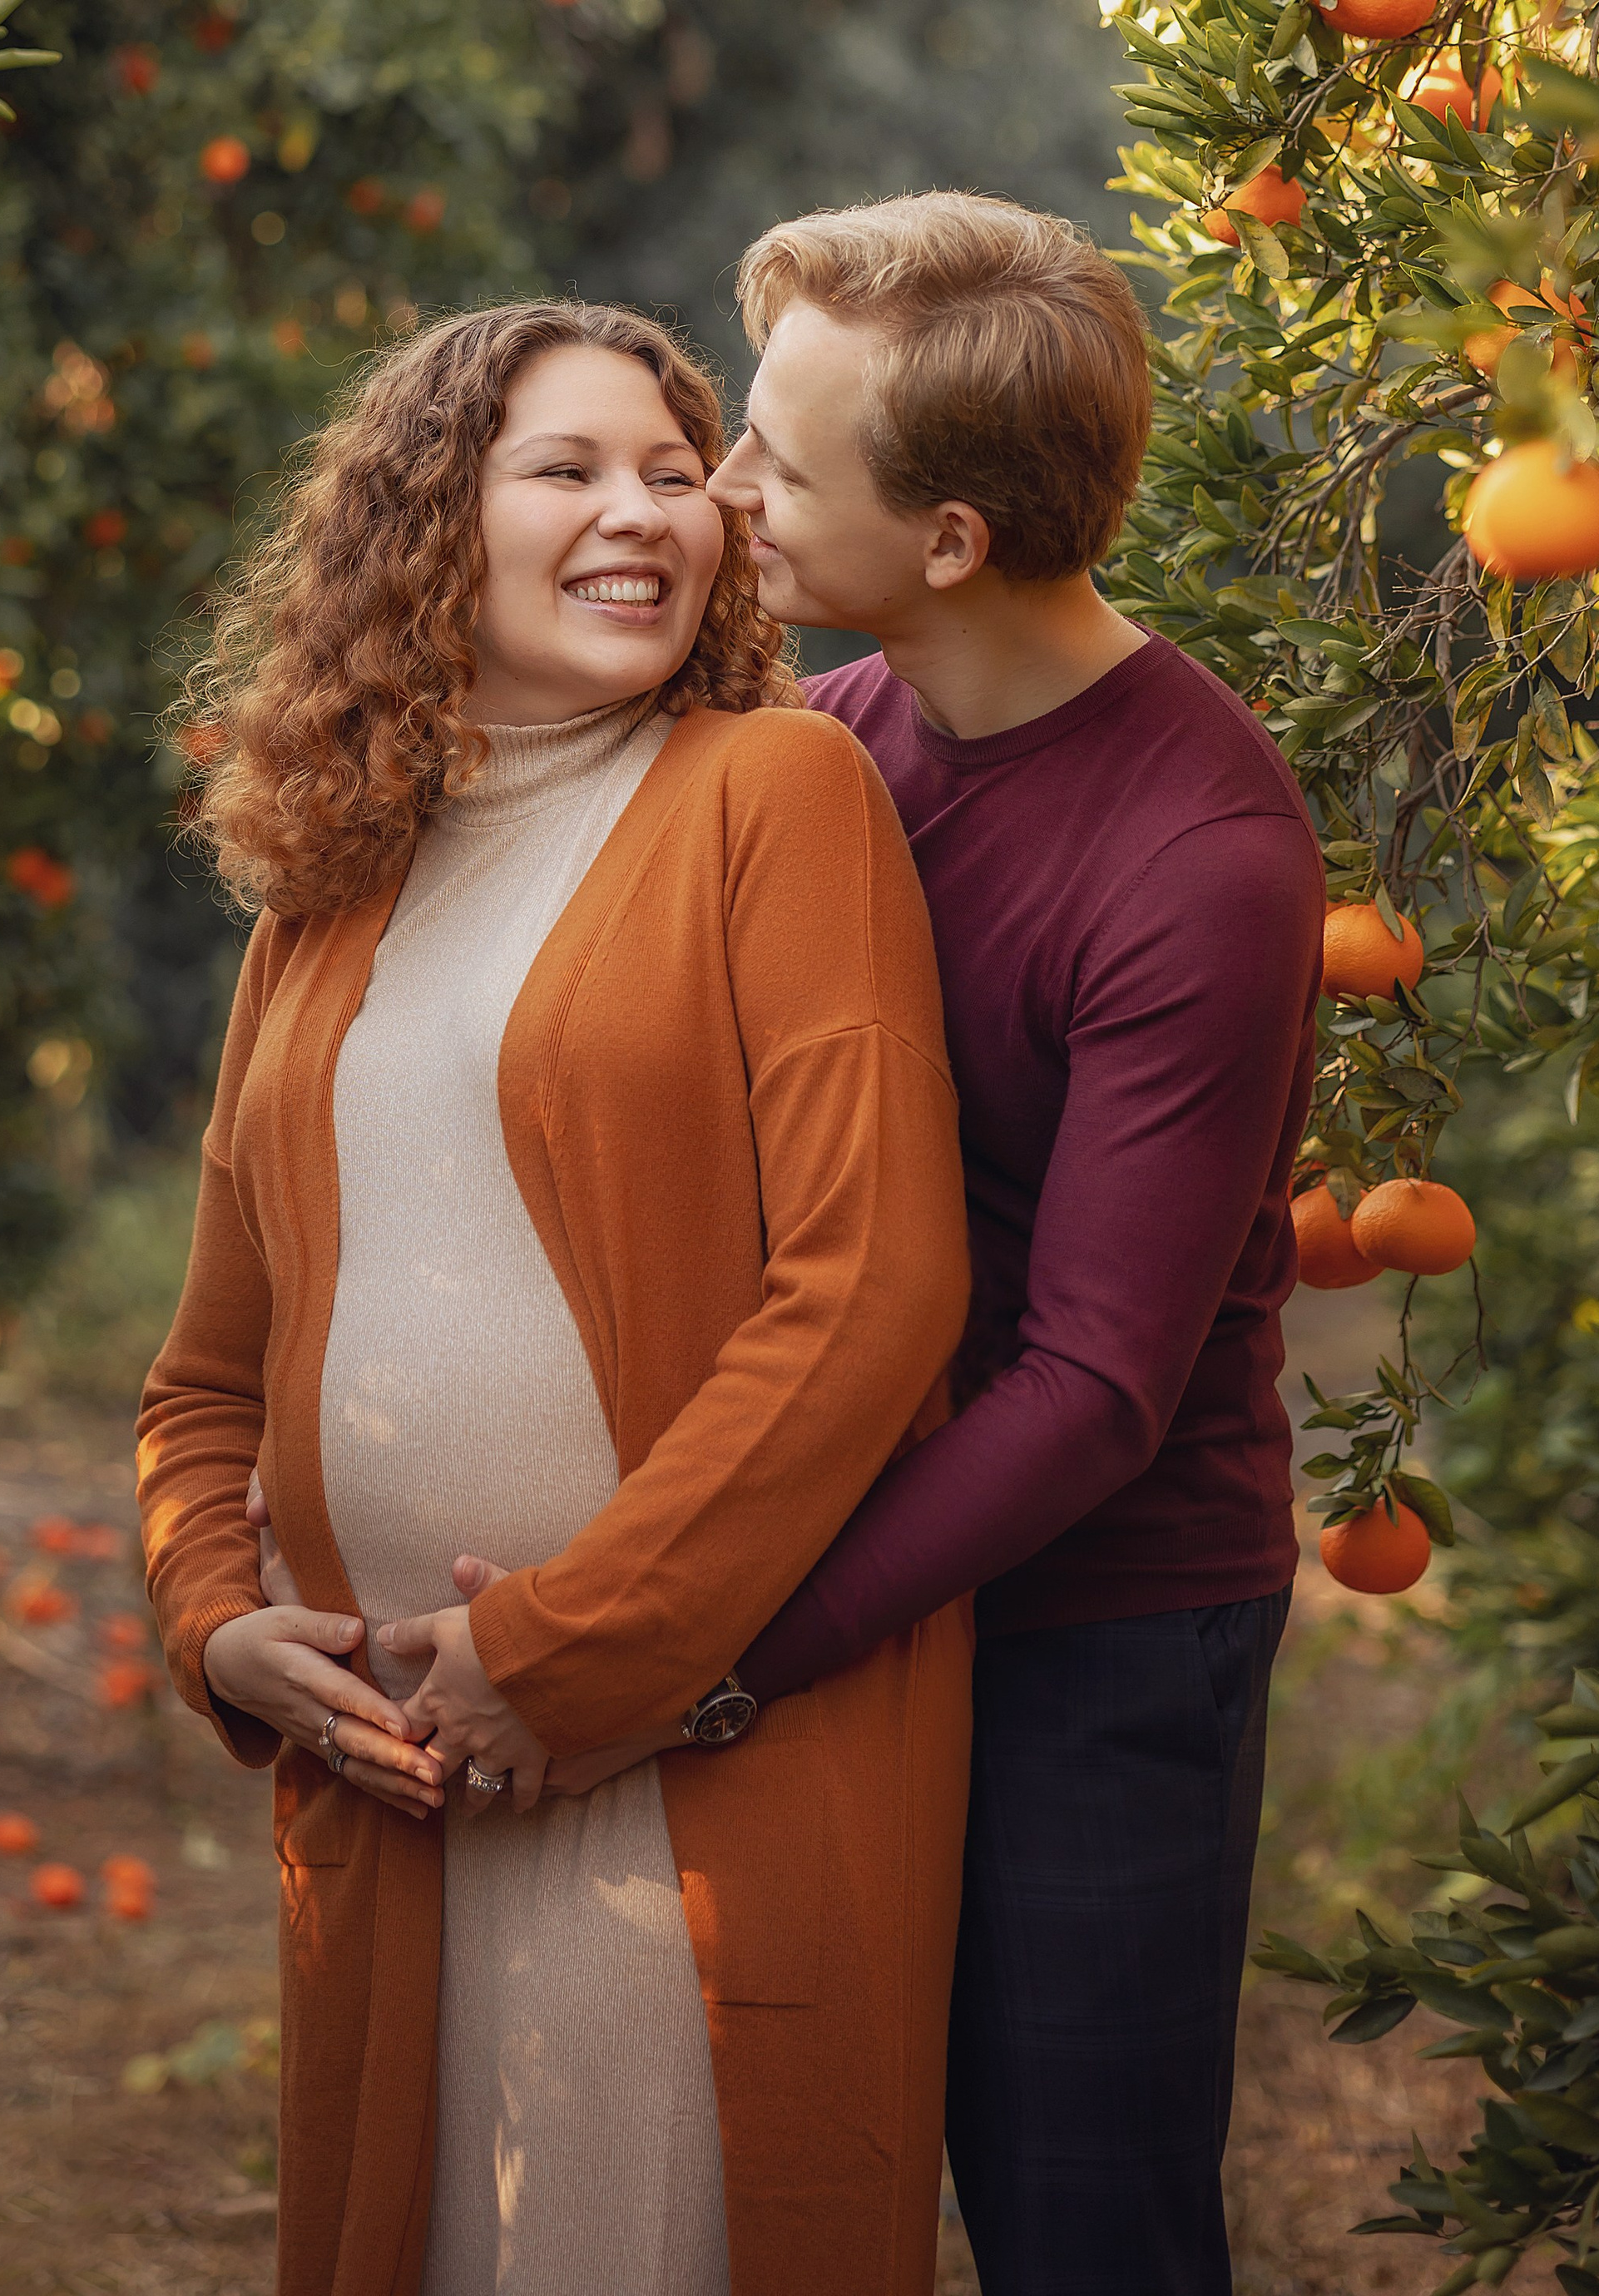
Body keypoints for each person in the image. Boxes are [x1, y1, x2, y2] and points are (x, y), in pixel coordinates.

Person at [396, 195, 1322, 2296]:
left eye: (775, 470)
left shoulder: (1202, 857)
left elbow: (1091, 1393)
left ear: (952, 542)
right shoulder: (830, 744)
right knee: (784, 2172)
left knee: (1076, 2208)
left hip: (1090, 1625)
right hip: (824, 1558)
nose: (719, 494)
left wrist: (697, 1657)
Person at [136, 298, 973, 2296]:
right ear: (428, 528)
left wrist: (568, 1656)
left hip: (696, 1744)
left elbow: (873, 1289)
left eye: (677, 476)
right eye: (568, 471)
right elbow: (204, 1383)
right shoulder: (321, 903)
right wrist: (220, 1626)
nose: (643, 517)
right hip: (392, 1785)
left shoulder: (768, 795)